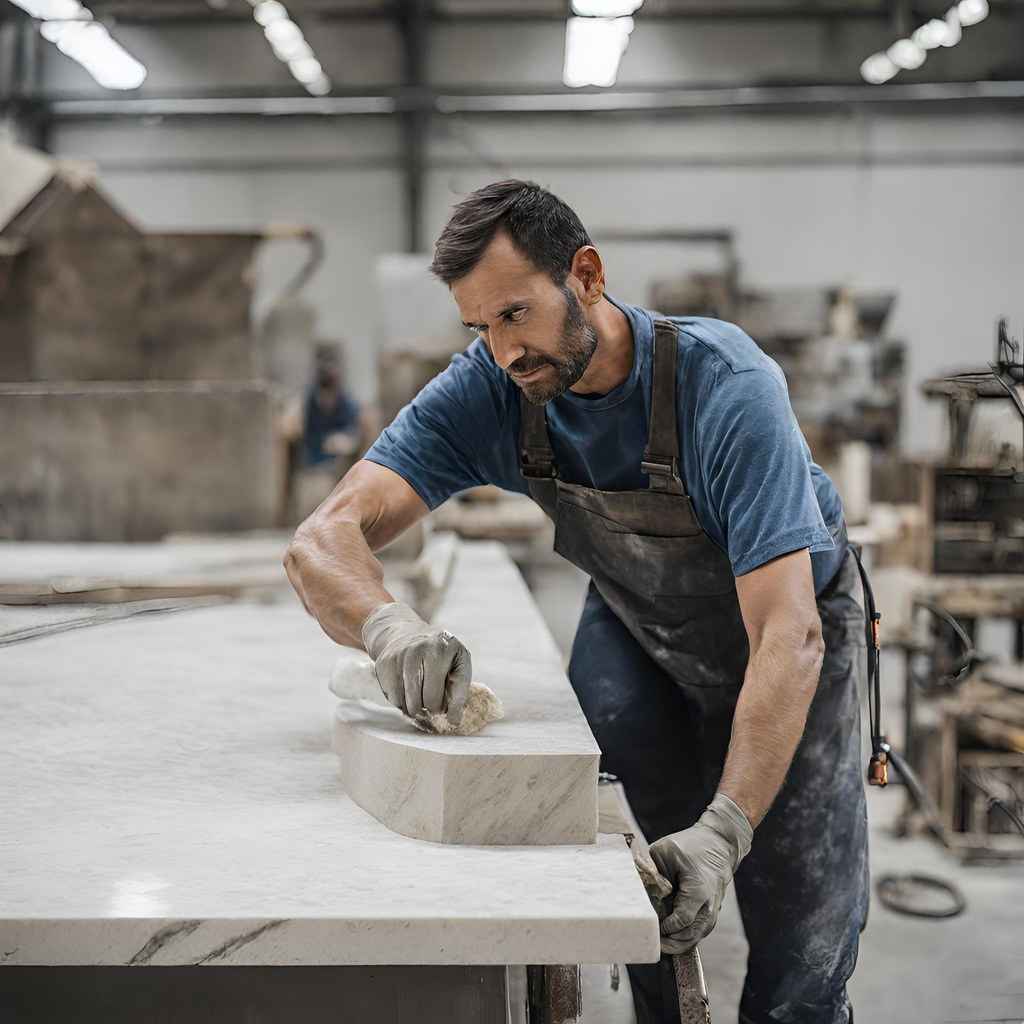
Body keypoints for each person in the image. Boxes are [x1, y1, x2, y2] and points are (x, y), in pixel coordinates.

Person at [284, 180, 868, 1024]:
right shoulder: (495, 389)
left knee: (800, 948)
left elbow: (789, 629)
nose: (502, 351)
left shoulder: (724, 387)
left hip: (788, 638)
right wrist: (388, 627)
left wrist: (727, 828)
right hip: (639, 628)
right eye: (479, 327)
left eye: (515, 314)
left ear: (586, 276)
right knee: (646, 903)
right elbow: (320, 539)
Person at [303, 345, 362, 466]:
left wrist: (343, 440)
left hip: (336, 463)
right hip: (311, 463)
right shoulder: (308, 400)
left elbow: (352, 430)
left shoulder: (345, 401)